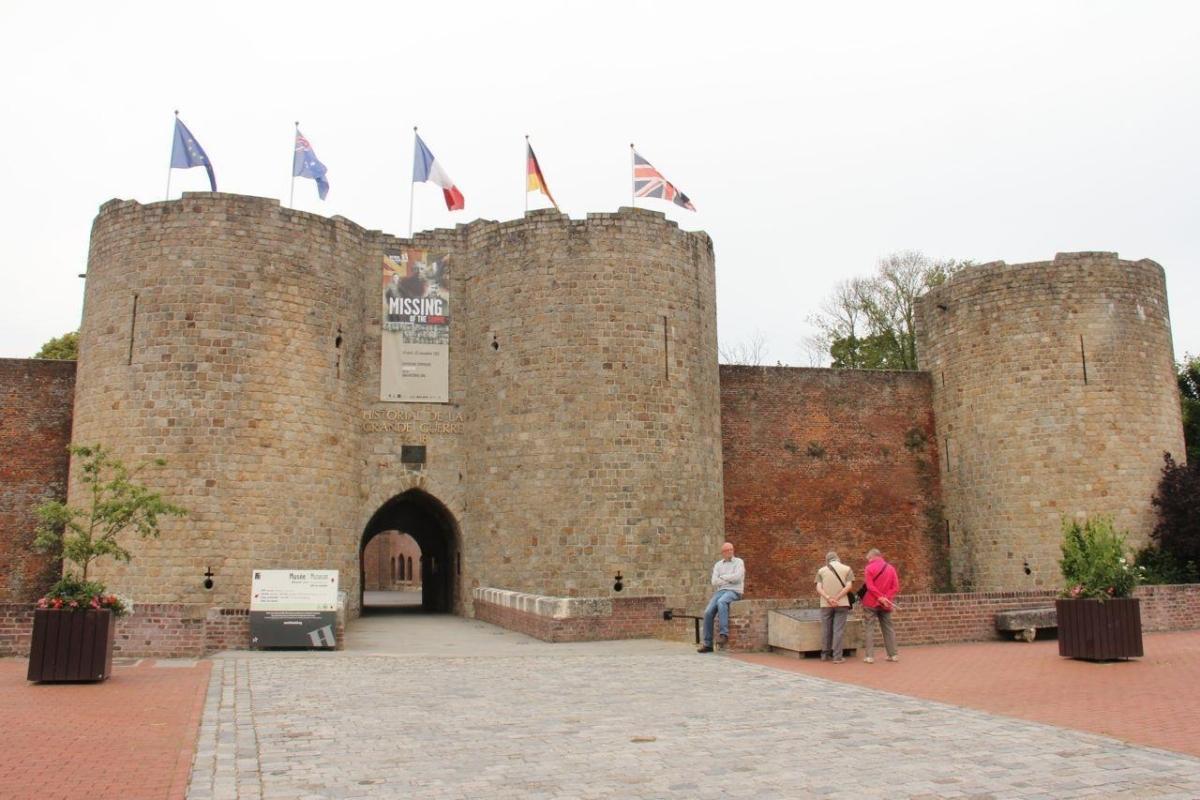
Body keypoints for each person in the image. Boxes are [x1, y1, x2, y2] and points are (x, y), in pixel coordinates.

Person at [697, 542, 744, 653]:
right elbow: (714, 581)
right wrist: (729, 579)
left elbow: (737, 578)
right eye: (728, 550)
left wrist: (722, 578)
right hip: (721, 591)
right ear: (723, 553)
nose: (730, 552)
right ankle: (708, 644)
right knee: (708, 612)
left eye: (732, 549)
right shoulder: (718, 565)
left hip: (735, 591)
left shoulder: (739, 562)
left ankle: (724, 634)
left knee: (722, 602)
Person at [861, 548, 900, 663]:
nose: (868, 561)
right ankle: (893, 654)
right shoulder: (891, 568)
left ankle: (869, 656)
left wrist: (879, 597)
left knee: (869, 628)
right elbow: (895, 587)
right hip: (886, 604)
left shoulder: (869, 568)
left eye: (868, 558)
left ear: (872, 556)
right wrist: (885, 598)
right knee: (888, 628)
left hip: (870, 602)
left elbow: (870, 586)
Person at [816, 551, 854, 663]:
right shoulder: (847, 569)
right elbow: (849, 586)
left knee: (825, 629)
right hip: (842, 604)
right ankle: (837, 657)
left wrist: (829, 598)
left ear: (827, 560)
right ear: (838, 558)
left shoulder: (821, 571)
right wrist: (837, 598)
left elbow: (818, 588)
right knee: (838, 630)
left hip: (826, 604)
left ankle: (824, 655)